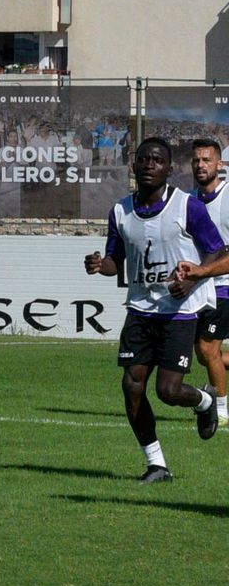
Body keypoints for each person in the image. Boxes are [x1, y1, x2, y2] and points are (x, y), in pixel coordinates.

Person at [83, 137, 229, 482]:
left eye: (157, 160)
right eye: (143, 159)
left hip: (179, 310)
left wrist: (193, 278)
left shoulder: (187, 207)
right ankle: (157, 464)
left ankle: (205, 403)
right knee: (132, 386)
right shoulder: (120, 211)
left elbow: (215, 251)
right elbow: (114, 262)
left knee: (169, 391)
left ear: (169, 169)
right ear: (134, 166)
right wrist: (98, 264)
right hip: (140, 310)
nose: (149, 164)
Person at [190, 138, 228, 423]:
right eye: (196, 161)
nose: (201, 165)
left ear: (220, 164)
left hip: (225, 284)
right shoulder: (190, 201)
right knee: (205, 355)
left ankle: (223, 410)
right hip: (201, 287)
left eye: (206, 160)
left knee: (207, 347)